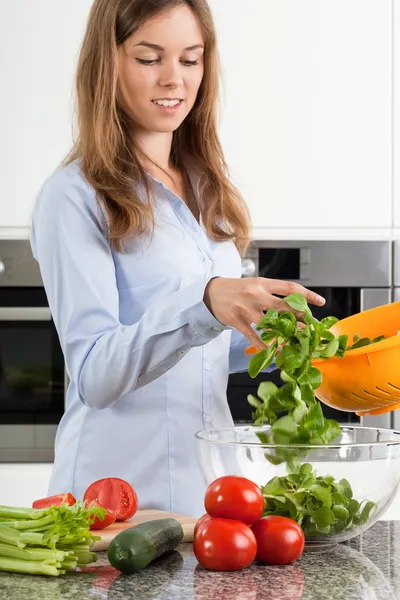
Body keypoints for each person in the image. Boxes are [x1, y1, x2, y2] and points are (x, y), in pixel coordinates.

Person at [30, 0, 325, 517]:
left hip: (209, 500)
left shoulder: (209, 190)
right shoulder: (73, 197)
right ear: (109, 63)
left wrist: (285, 339)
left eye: (190, 60)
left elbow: (201, 353)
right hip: (111, 508)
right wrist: (206, 302)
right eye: (150, 59)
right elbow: (95, 373)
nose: (174, 80)